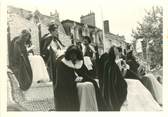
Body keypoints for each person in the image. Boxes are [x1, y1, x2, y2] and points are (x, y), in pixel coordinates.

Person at [54, 45, 106, 111]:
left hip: (77, 82)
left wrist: (87, 79)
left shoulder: (79, 62)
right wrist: (74, 80)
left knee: (92, 84)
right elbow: (61, 78)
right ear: (68, 55)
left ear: (77, 55)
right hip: (65, 85)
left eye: (75, 54)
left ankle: (90, 106)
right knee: (81, 87)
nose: (73, 56)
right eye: (71, 54)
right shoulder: (62, 64)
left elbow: (84, 74)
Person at [99, 46, 127, 111]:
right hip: (112, 92)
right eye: (117, 54)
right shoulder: (111, 65)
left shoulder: (108, 64)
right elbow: (118, 80)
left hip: (108, 91)